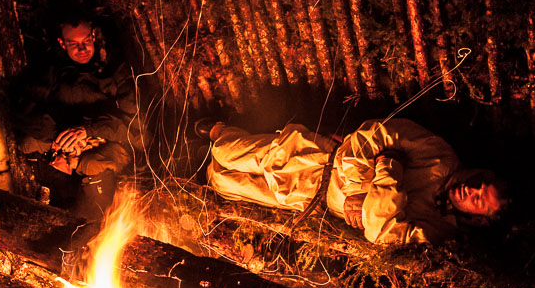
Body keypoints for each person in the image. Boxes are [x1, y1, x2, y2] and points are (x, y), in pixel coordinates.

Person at [203, 118, 508, 244]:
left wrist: (388, 169)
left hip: (312, 201)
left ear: (479, 219)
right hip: (319, 162)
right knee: (228, 152)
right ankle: (215, 129)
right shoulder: (439, 155)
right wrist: (361, 188)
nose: (472, 189)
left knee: (223, 181)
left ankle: (191, 169)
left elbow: (380, 231)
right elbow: (375, 134)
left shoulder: (438, 230)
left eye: (479, 199)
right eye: (480, 181)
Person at [13, 4, 146, 220]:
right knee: (30, 144)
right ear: (62, 43)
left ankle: (97, 226)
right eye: (73, 44)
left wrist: (88, 131)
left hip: (102, 144)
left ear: (93, 35)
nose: (82, 50)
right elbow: (22, 108)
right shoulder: (51, 70)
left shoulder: (115, 70)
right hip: (60, 143)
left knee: (94, 170)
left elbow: (138, 130)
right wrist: (58, 135)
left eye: (85, 41)